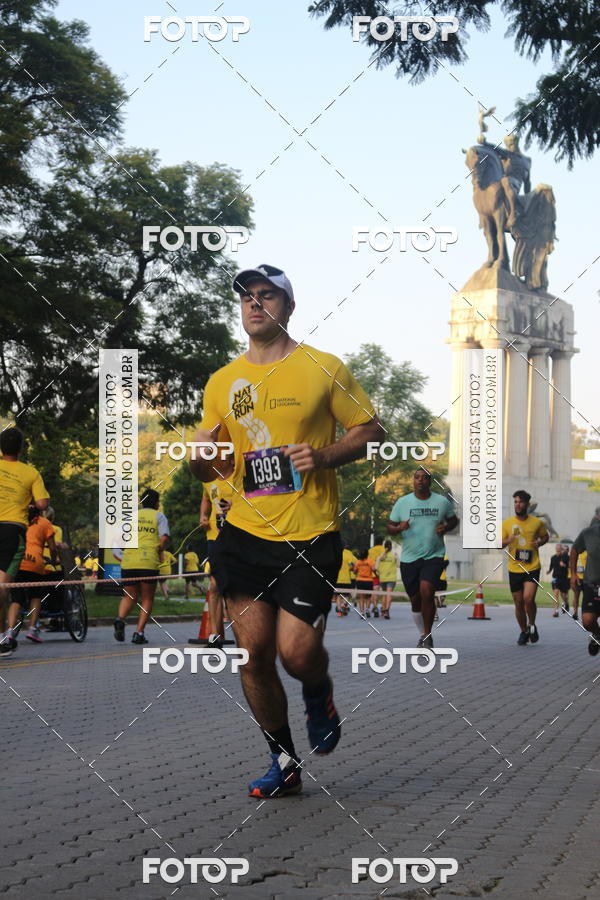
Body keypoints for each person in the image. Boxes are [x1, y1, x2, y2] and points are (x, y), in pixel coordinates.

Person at [190, 263, 382, 799]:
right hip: (243, 535)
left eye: (267, 295)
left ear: (288, 306)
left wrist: (322, 456)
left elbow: (370, 429)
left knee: (297, 654)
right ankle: (284, 762)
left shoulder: (324, 368)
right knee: (254, 656)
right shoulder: (222, 382)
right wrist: (199, 460)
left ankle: (317, 690)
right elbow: (211, 464)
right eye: (247, 297)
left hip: (309, 534)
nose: (255, 304)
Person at [387, 467, 458, 648]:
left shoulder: (441, 502)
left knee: (427, 591)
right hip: (409, 558)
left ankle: (427, 635)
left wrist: (446, 528)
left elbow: (453, 520)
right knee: (415, 599)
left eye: (424, 478)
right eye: (416, 477)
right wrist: (398, 528)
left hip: (434, 555)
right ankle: (422, 634)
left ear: (430, 481)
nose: (420, 480)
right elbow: (390, 526)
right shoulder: (403, 503)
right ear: (413, 481)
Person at [0, 427, 49, 653]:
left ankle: (3, 637)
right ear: (21, 448)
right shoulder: (31, 473)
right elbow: (42, 504)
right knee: (3, 589)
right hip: (12, 531)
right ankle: (3, 638)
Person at [113, 489, 169, 644]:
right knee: (147, 598)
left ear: (142, 502)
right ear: (157, 503)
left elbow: (119, 540)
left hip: (129, 561)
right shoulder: (159, 516)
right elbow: (164, 538)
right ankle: (138, 633)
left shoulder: (131, 517)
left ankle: (120, 619)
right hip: (148, 562)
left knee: (129, 596)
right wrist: (160, 549)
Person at [3, 505, 58, 651]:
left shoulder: (16, 520)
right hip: (36, 564)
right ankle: (33, 628)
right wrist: (54, 560)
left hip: (17, 561)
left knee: (16, 598)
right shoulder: (45, 523)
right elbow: (52, 548)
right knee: (35, 596)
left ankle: (9, 631)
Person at [501, 489, 549, 645]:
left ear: (527, 504)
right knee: (518, 603)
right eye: (515, 501)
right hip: (514, 568)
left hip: (532, 566)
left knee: (529, 599)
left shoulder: (537, 523)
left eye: (521, 501)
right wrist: (508, 540)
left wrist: (539, 543)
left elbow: (545, 536)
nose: (518, 504)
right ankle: (523, 631)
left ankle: (532, 624)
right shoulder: (507, 524)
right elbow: (498, 545)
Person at [200, 477, 234, 642]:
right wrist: (203, 516)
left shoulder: (240, 473)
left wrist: (235, 506)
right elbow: (206, 498)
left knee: (238, 588)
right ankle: (215, 635)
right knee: (215, 585)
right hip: (214, 537)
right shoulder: (208, 479)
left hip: (241, 535)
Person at [570, 510, 600, 656]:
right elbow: (574, 550)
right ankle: (597, 634)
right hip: (592, 584)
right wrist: (573, 574)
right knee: (588, 621)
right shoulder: (588, 533)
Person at [375, 539, 398, 619]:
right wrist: (396, 558)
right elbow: (398, 565)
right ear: (391, 547)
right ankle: (387, 610)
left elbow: (376, 567)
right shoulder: (394, 555)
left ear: (384, 546)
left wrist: (379, 572)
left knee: (384, 594)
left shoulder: (381, 556)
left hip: (383, 578)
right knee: (389, 594)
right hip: (391, 578)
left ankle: (384, 609)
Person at [334, 541, 357, 616]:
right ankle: (344, 604)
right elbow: (351, 565)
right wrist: (350, 569)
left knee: (338, 595)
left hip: (337, 578)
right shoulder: (348, 553)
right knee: (346, 595)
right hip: (346, 579)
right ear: (345, 546)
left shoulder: (335, 552)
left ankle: (339, 610)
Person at [547, 543, 570, 617]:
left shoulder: (565, 557)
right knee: (555, 594)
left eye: (559, 548)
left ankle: (566, 603)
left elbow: (569, 565)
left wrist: (564, 565)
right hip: (555, 578)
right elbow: (551, 566)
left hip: (563, 578)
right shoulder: (553, 557)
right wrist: (549, 571)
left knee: (563, 595)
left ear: (561, 549)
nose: (558, 549)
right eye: (557, 548)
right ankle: (556, 611)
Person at [352, 549, 376, 618]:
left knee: (361, 597)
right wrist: (376, 574)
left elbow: (355, 571)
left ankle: (362, 613)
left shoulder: (358, 562)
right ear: (367, 554)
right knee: (368, 597)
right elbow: (373, 569)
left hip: (360, 580)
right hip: (369, 581)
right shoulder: (370, 561)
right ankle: (367, 610)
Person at [368, 535, 385, 616]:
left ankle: (375, 607)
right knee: (384, 592)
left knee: (375, 591)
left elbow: (368, 563)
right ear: (382, 542)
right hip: (384, 574)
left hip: (374, 574)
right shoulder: (385, 550)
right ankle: (383, 607)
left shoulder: (370, 550)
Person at [572, 549, 587, 621]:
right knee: (576, 596)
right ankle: (575, 613)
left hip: (586, 578)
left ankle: (584, 613)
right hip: (577, 578)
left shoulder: (587, 553)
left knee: (586, 597)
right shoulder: (575, 554)